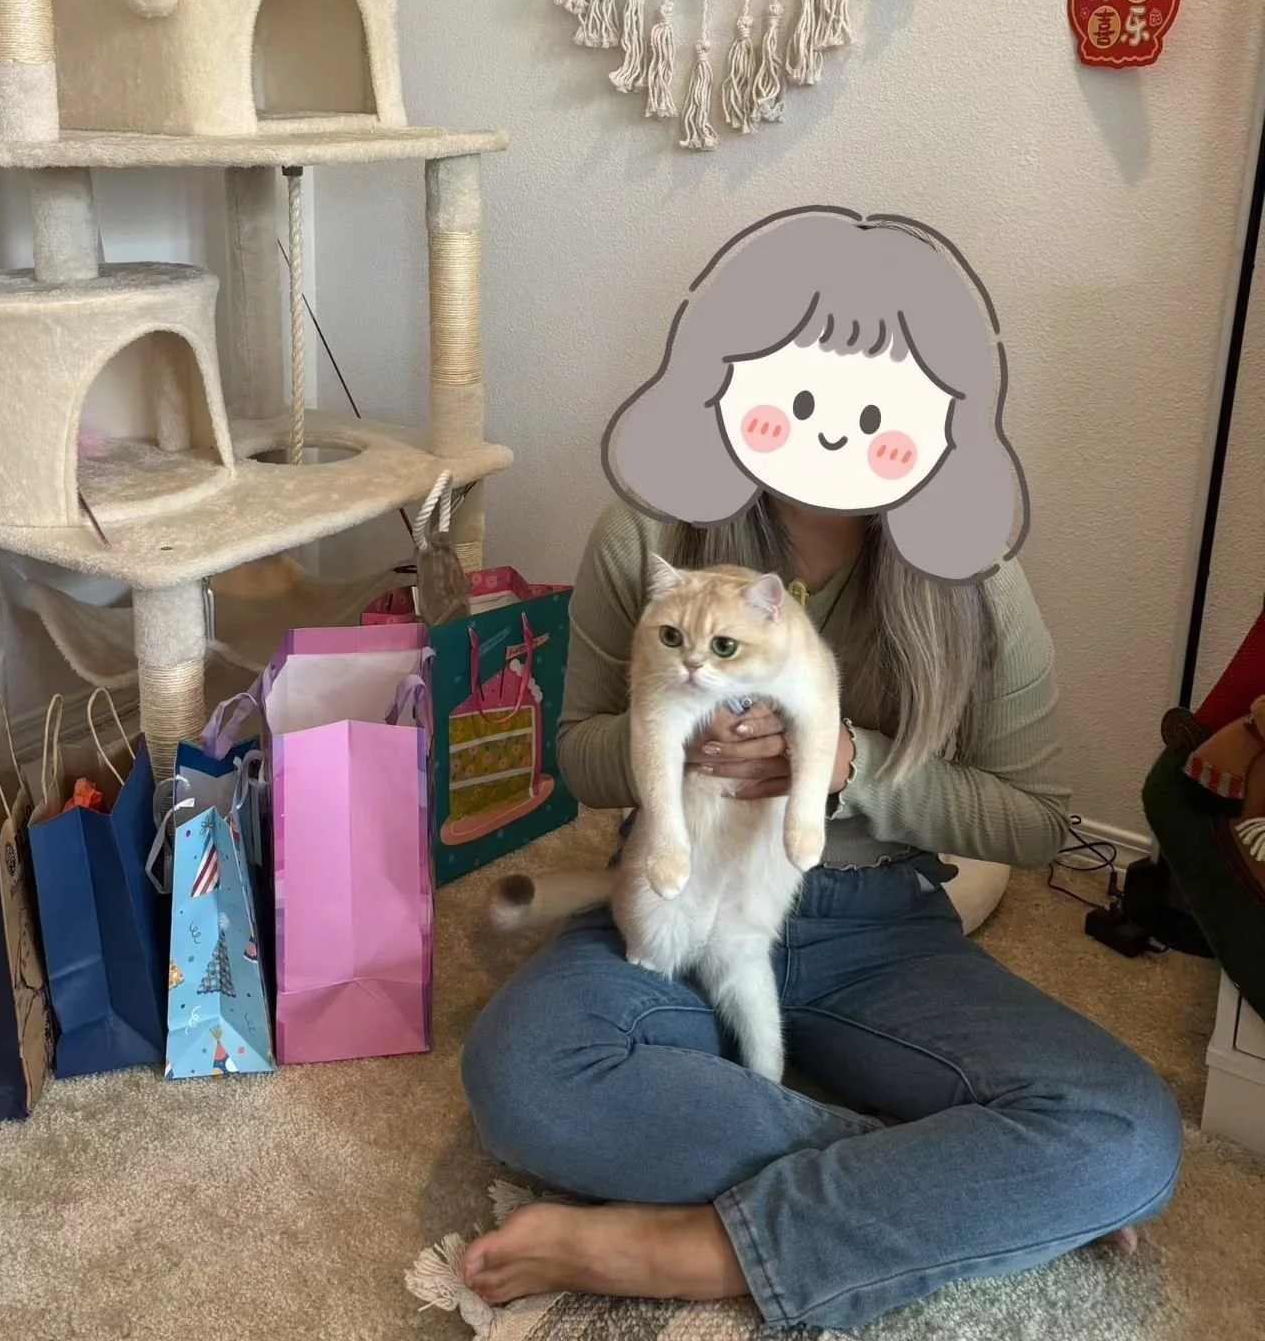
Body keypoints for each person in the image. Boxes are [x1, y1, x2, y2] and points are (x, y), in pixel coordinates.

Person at [458, 212, 1183, 1331]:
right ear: (729, 376)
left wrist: (850, 765)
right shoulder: (650, 534)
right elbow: (580, 756)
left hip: (874, 924)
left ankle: (690, 1251)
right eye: (798, 390)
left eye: (877, 405)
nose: (831, 429)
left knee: (1128, 1129)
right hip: (680, 892)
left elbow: (1036, 823)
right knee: (524, 1072)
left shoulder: (975, 571)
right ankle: (950, 1185)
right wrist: (679, 740)